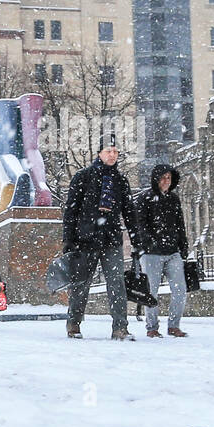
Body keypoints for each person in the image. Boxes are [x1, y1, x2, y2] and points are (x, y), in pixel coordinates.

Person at [62, 132, 140, 340]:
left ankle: (120, 327)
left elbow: (129, 213)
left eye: (115, 151)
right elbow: (71, 211)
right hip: (85, 239)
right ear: (99, 153)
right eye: (108, 151)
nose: (112, 155)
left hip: (111, 239)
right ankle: (74, 323)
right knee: (81, 283)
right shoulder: (83, 177)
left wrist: (136, 240)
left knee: (117, 283)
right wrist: (68, 240)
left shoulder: (121, 181)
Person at [135, 163, 190, 338]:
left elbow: (180, 224)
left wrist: (183, 245)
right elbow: (140, 225)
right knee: (151, 292)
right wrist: (149, 243)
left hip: (173, 252)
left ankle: (174, 325)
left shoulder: (174, 199)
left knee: (180, 289)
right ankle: (152, 327)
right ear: (156, 179)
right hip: (152, 254)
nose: (166, 181)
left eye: (169, 178)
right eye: (163, 178)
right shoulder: (145, 198)